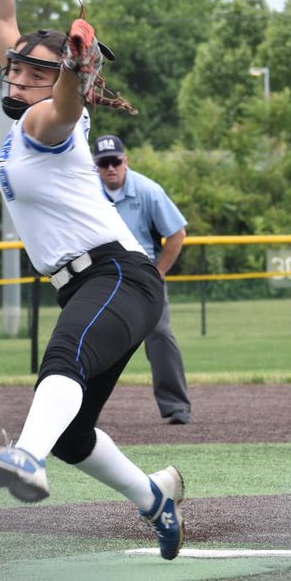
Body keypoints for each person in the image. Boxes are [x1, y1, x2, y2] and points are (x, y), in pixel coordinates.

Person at [0, 0, 185, 560]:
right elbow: (0, 17)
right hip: (93, 284)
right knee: (76, 430)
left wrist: (76, 75)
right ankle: (156, 499)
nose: (19, 76)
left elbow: (59, 106)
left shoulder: (45, 122)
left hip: (118, 275)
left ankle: (26, 458)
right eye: (16, 67)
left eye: (35, 71)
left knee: (60, 367)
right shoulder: (28, 95)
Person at [93, 135, 192, 425]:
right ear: (95, 167)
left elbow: (177, 234)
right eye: (103, 163)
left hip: (143, 272)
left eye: (115, 161)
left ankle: (176, 407)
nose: (110, 168)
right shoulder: (86, 193)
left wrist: (159, 271)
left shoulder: (148, 190)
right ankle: (82, 414)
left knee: (160, 334)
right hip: (102, 273)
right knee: (92, 339)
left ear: (126, 161)